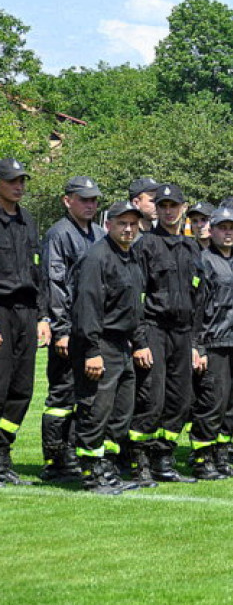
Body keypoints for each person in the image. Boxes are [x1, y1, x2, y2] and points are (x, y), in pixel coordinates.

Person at [70, 201, 146, 494]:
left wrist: (138, 341)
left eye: (133, 224)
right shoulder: (97, 257)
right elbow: (86, 307)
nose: (128, 229)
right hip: (99, 341)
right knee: (96, 409)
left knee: (120, 411)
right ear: (108, 224)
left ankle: (108, 468)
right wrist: (92, 350)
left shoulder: (130, 256)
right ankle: (90, 474)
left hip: (121, 344)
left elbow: (134, 306)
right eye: (121, 223)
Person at [128, 183, 200, 484]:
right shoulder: (145, 246)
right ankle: (138, 461)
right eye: (163, 206)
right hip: (155, 329)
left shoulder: (192, 247)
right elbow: (135, 297)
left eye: (174, 206)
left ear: (183, 209)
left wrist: (197, 343)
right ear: (156, 210)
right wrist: (141, 340)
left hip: (183, 333)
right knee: (151, 399)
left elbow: (200, 299)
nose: (168, 211)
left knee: (181, 400)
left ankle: (164, 457)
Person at [39, 175, 104, 483]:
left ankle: (76, 453)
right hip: (70, 328)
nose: (90, 205)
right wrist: (61, 329)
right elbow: (55, 284)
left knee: (87, 395)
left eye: (94, 200)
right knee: (61, 397)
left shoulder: (100, 234)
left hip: (93, 329)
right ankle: (55, 459)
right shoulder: (58, 234)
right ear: (68, 201)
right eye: (84, 199)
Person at [189, 208, 233, 479]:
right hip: (214, 342)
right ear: (212, 230)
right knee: (212, 403)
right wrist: (198, 347)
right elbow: (195, 309)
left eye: (232, 227)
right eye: (222, 227)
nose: (227, 232)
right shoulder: (203, 261)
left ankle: (222, 455)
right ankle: (202, 458)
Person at [0, 158, 49, 485]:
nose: (19, 186)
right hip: (1, 310)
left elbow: (38, 272)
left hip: (27, 310)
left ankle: (3, 455)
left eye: (22, 180)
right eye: (13, 180)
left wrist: (43, 316)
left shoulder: (28, 220)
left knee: (21, 388)